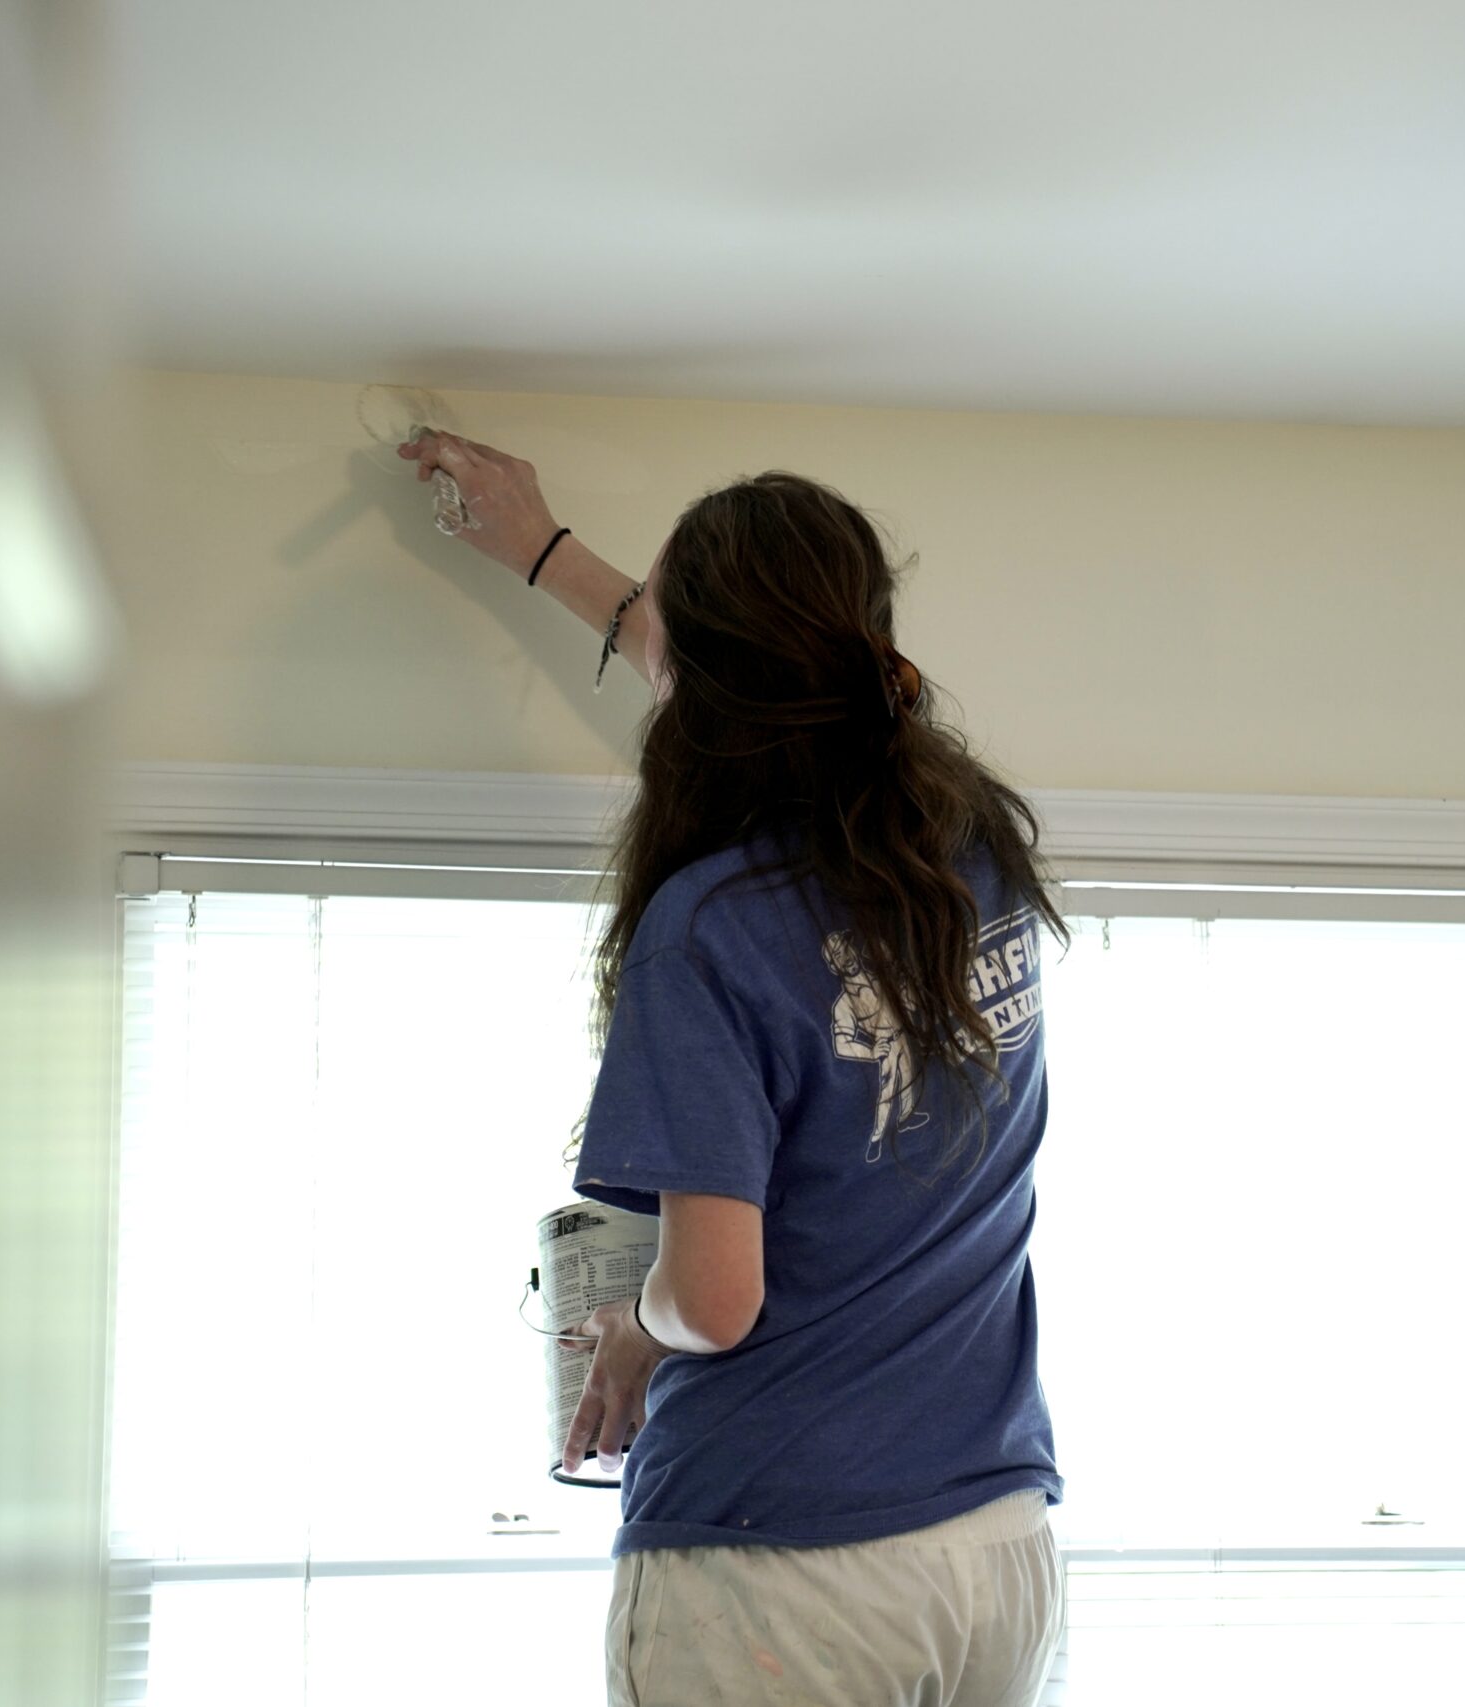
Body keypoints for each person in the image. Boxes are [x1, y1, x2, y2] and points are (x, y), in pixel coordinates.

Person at [403, 430, 1070, 1706]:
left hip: (784, 1564)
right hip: (995, 1547)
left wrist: (630, 1328)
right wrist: (544, 551)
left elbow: (711, 1306)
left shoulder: (708, 934)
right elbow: (739, 673)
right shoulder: (966, 847)